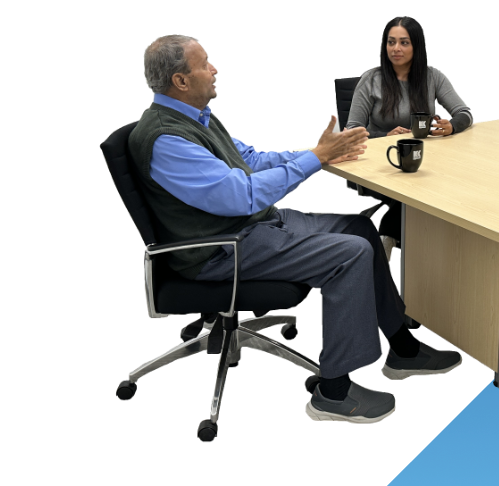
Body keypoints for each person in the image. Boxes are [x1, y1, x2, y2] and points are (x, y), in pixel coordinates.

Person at [129, 35, 462, 425]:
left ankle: (402, 348)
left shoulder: (196, 116)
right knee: (350, 253)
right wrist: (317, 161)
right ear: (181, 81)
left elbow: (251, 159)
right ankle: (333, 394)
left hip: (251, 225)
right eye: (205, 64)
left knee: (359, 228)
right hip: (221, 249)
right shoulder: (167, 138)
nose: (215, 69)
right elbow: (242, 197)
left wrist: (315, 153)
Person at [345, 16, 474, 251]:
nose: (396, 48)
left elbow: (464, 112)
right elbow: (351, 130)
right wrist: (384, 136)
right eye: (391, 42)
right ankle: (387, 239)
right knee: (415, 195)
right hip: (383, 163)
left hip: (424, 161)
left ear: (416, 46)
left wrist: (452, 125)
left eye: (404, 42)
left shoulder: (432, 76)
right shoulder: (371, 80)